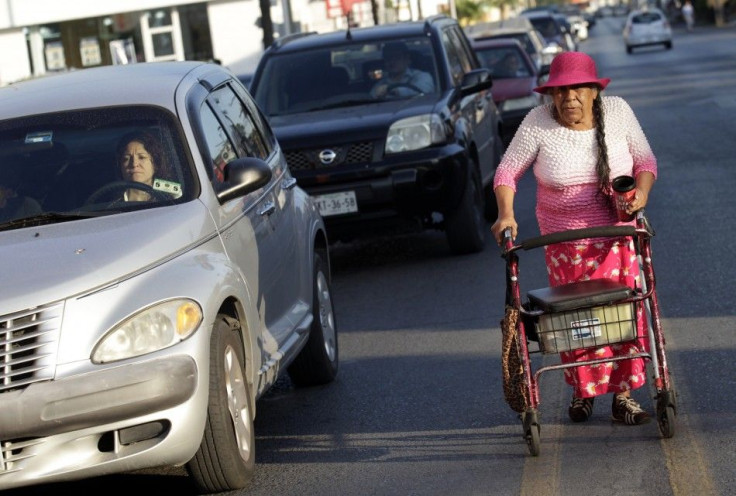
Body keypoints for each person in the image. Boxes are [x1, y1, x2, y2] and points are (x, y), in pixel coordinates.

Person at [490, 52, 658, 426]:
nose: (569, 98)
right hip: (565, 243)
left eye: (578, 88)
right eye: (561, 90)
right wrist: (506, 213)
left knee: (618, 313)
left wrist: (641, 195)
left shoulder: (618, 112)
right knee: (576, 320)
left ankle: (623, 397)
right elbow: (506, 171)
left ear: (595, 92)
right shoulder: (538, 121)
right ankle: (584, 392)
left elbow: (645, 162)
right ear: (551, 95)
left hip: (615, 234)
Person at [116, 130, 179, 201]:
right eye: (126, 158)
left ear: (155, 164)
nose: (134, 164)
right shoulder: (112, 203)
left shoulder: (174, 194)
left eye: (141, 157)